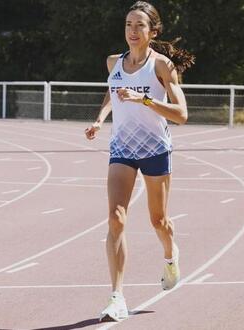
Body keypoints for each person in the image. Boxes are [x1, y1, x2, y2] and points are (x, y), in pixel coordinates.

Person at [84, 1, 195, 322]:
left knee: (158, 221)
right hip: (122, 148)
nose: (132, 31)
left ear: (153, 32)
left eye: (139, 26)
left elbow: (183, 115)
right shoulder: (113, 63)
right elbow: (112, 90)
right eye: (128, 24)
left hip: (156, 149)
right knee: (116, 218)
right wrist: (100, 119)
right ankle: (116, 296)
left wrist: (143, 98)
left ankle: (171, 256)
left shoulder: (161, 66)